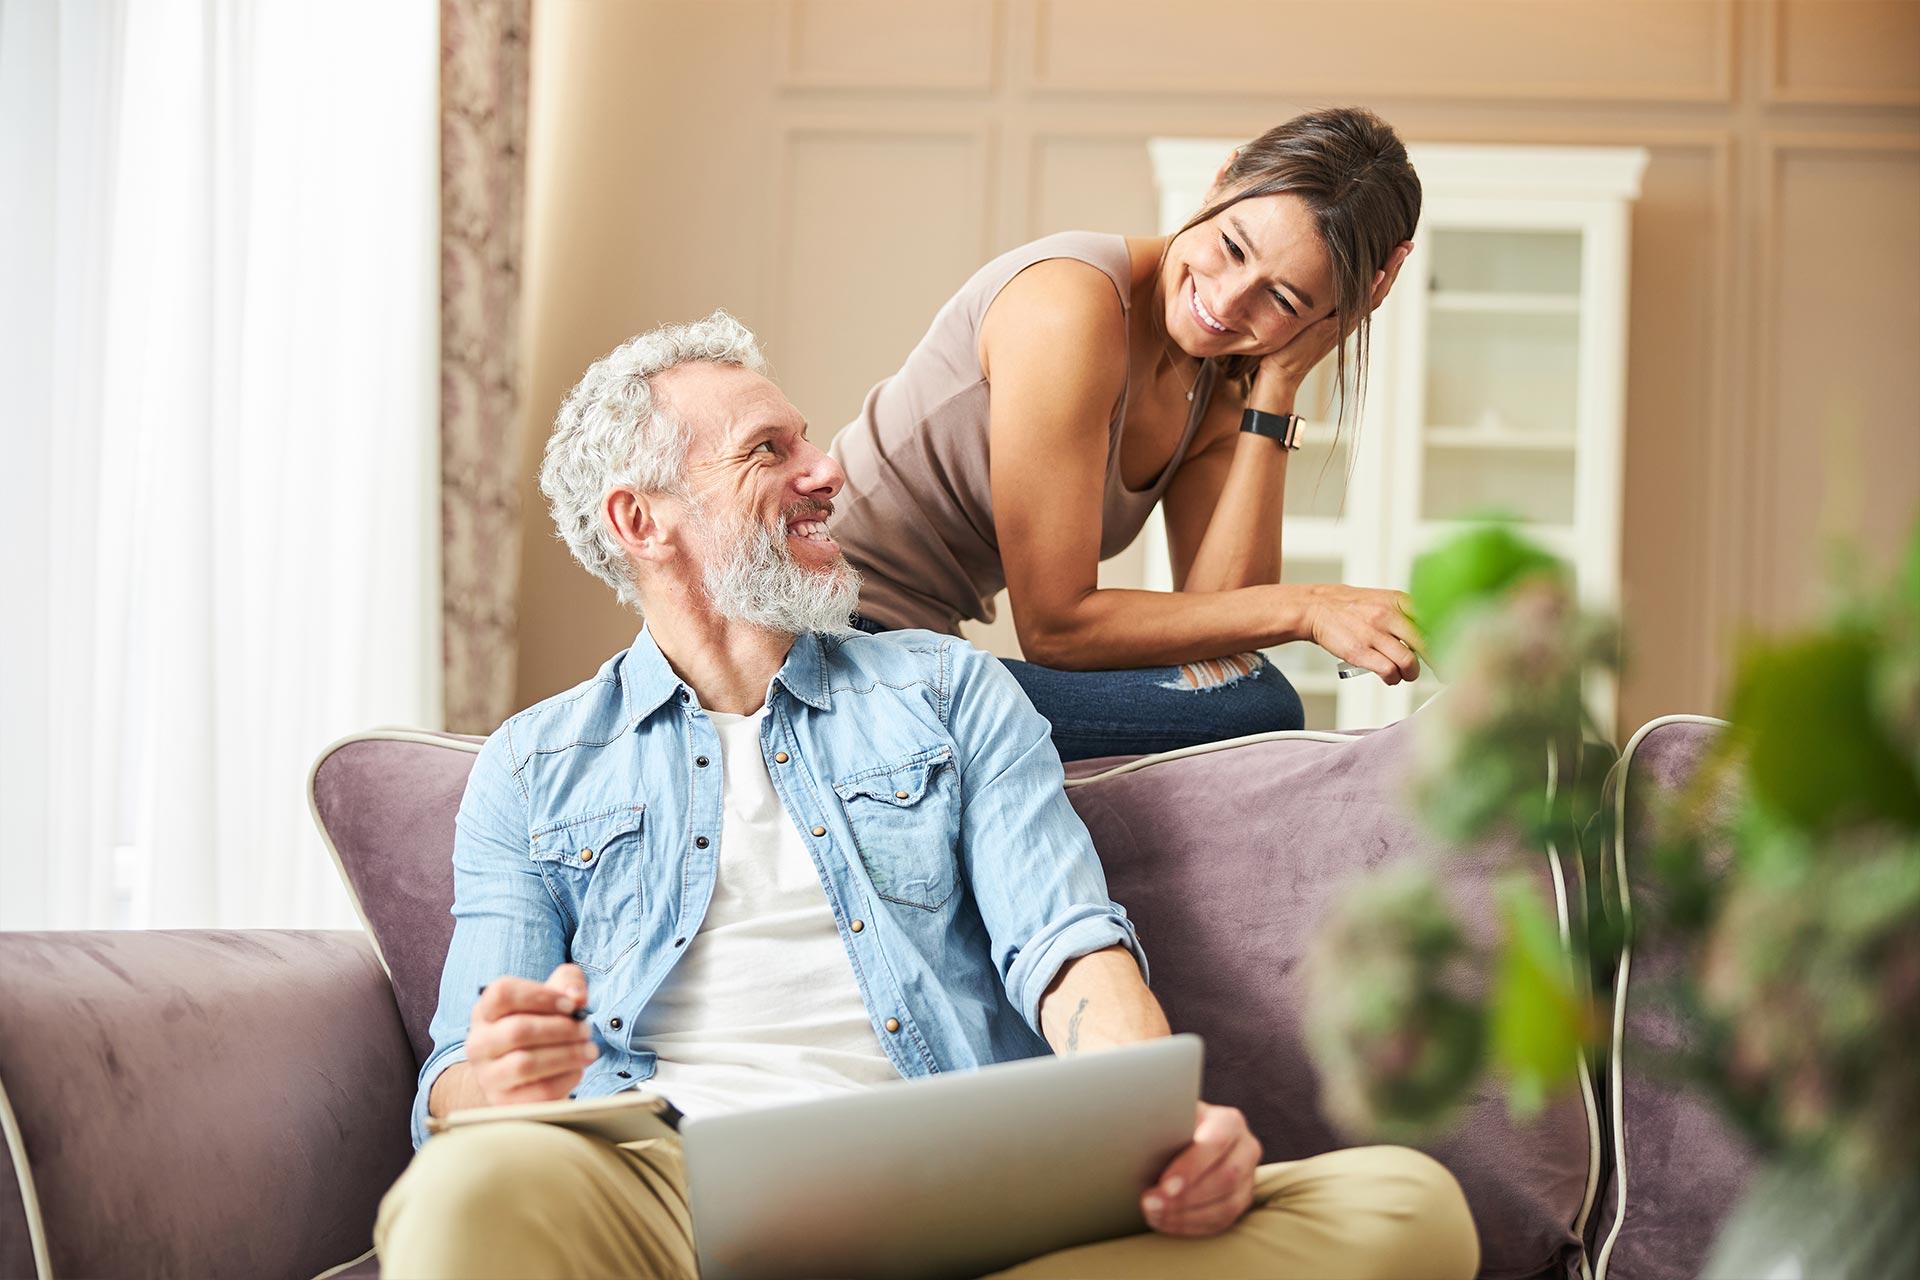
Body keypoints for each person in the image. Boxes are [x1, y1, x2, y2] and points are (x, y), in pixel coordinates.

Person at [373, 312, 1479, 1278]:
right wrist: (499, 1081)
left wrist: (1157, 1116)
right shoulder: (533, 764)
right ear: (641, 520)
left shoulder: (946, 690)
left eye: (809, 438)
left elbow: (1067, 945)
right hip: (670, 1199)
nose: (826, 470)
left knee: (1407, 1209)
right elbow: (453, 1087)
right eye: (771, 449)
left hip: (951, 1181)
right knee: (458, 1200)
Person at [831, 107, 1426, 760]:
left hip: (914, 649)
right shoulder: (1071, 306)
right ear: (1222, 179)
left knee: (1249, 695)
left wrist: (1279, 384)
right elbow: (1055, 628)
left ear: (1337, 313)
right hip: (827, 642)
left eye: (1283, 300)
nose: (1227, 305)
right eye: (1232, 247)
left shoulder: (1218, 389)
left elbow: (1222, 636)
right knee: (1263, 706)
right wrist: (1310, 606)